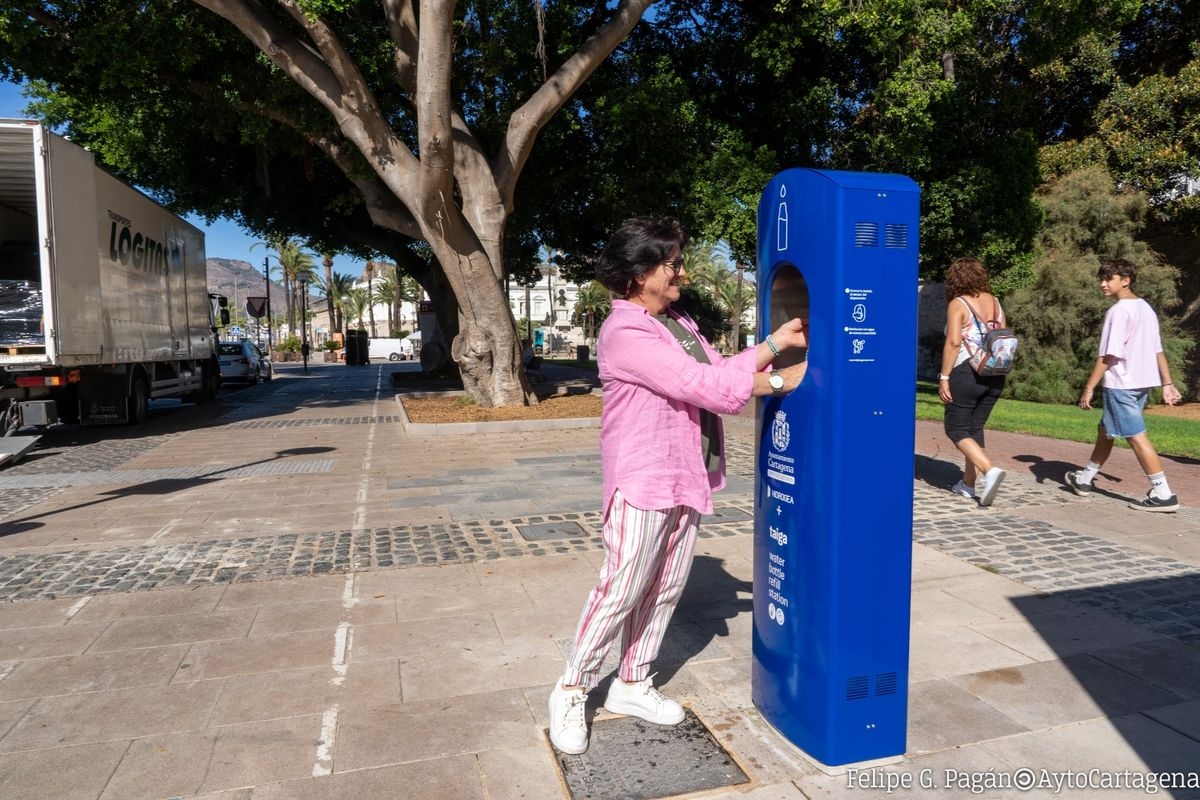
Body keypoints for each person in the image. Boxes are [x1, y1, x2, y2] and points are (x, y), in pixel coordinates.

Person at [547, 216, 809, 755]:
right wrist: (782, 378)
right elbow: (702, 385)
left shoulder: (677, 322)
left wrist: (774, 343)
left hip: (684, 471)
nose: (681, 273)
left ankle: (632, 683)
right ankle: (571, 689)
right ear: (639, 273)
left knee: (666, 586)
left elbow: (720, 368)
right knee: (622, 587)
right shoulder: (626, 331)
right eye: (672, 264)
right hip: (643, 475)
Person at [1065, 257, 1182, 511]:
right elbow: (1158, 349)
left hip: (1122, 384)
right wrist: (1167, 382)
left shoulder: (1118, 312)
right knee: (1106, 429)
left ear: (1126, 281)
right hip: (1141, 384)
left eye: (1109, 279)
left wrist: (1089, 387)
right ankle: (1085, 479)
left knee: (1136, 436)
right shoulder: (1145, 308)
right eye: (1102, 279)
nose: (1103, 284)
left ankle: (1163, 493)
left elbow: (1109, 355)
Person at [937, 256, 1008, 507]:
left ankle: (989, 471)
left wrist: (944, 377)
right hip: (995, 375)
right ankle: (968, 484)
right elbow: (1001, 339)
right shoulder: (996, 303)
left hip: (966, 372)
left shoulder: (958, 303)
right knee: (975, 428)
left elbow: (954, 342)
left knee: (956, 429)